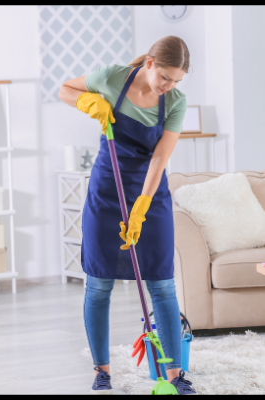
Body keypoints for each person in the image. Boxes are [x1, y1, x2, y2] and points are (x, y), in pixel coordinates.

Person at [58, 35, 196, 394]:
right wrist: (88, 101)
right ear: (150, 64)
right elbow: (65, 90)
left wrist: (142, 206)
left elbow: (159, 158)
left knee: (162, 284)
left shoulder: (175, 102)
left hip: (150, 192)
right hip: (107, 190)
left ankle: (173, 376)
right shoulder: (113, 78)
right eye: (166, 77)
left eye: (177, 80)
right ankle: (102, 371)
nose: (170, 86)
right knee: (99, 283)